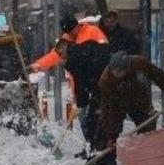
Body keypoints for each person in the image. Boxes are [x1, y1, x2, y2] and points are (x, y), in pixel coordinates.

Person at [88, 52, 164, 165]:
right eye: (114, 71)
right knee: (105, 133)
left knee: (147, 128)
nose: (117, 74)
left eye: (120, 71)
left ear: (127, 68)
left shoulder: (139, 63)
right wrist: (111, 134)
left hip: (139, 100)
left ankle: (146, 159)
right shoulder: (105, 81)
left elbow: (159, 76)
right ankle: (106, 162)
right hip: (117, 104)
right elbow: (108, 110)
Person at [29, 14, 110, 155]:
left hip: (97, 84)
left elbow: (103, 55)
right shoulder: (67, 40)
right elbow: (56, 54)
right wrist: (39, 65)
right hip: (82, 86)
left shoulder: (92, 32)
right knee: (85, 119)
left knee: (95, 119)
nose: (72, 34)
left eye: (73, 30)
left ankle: (98, 148)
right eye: (68, 32)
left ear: (77, 26)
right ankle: (91, 146)